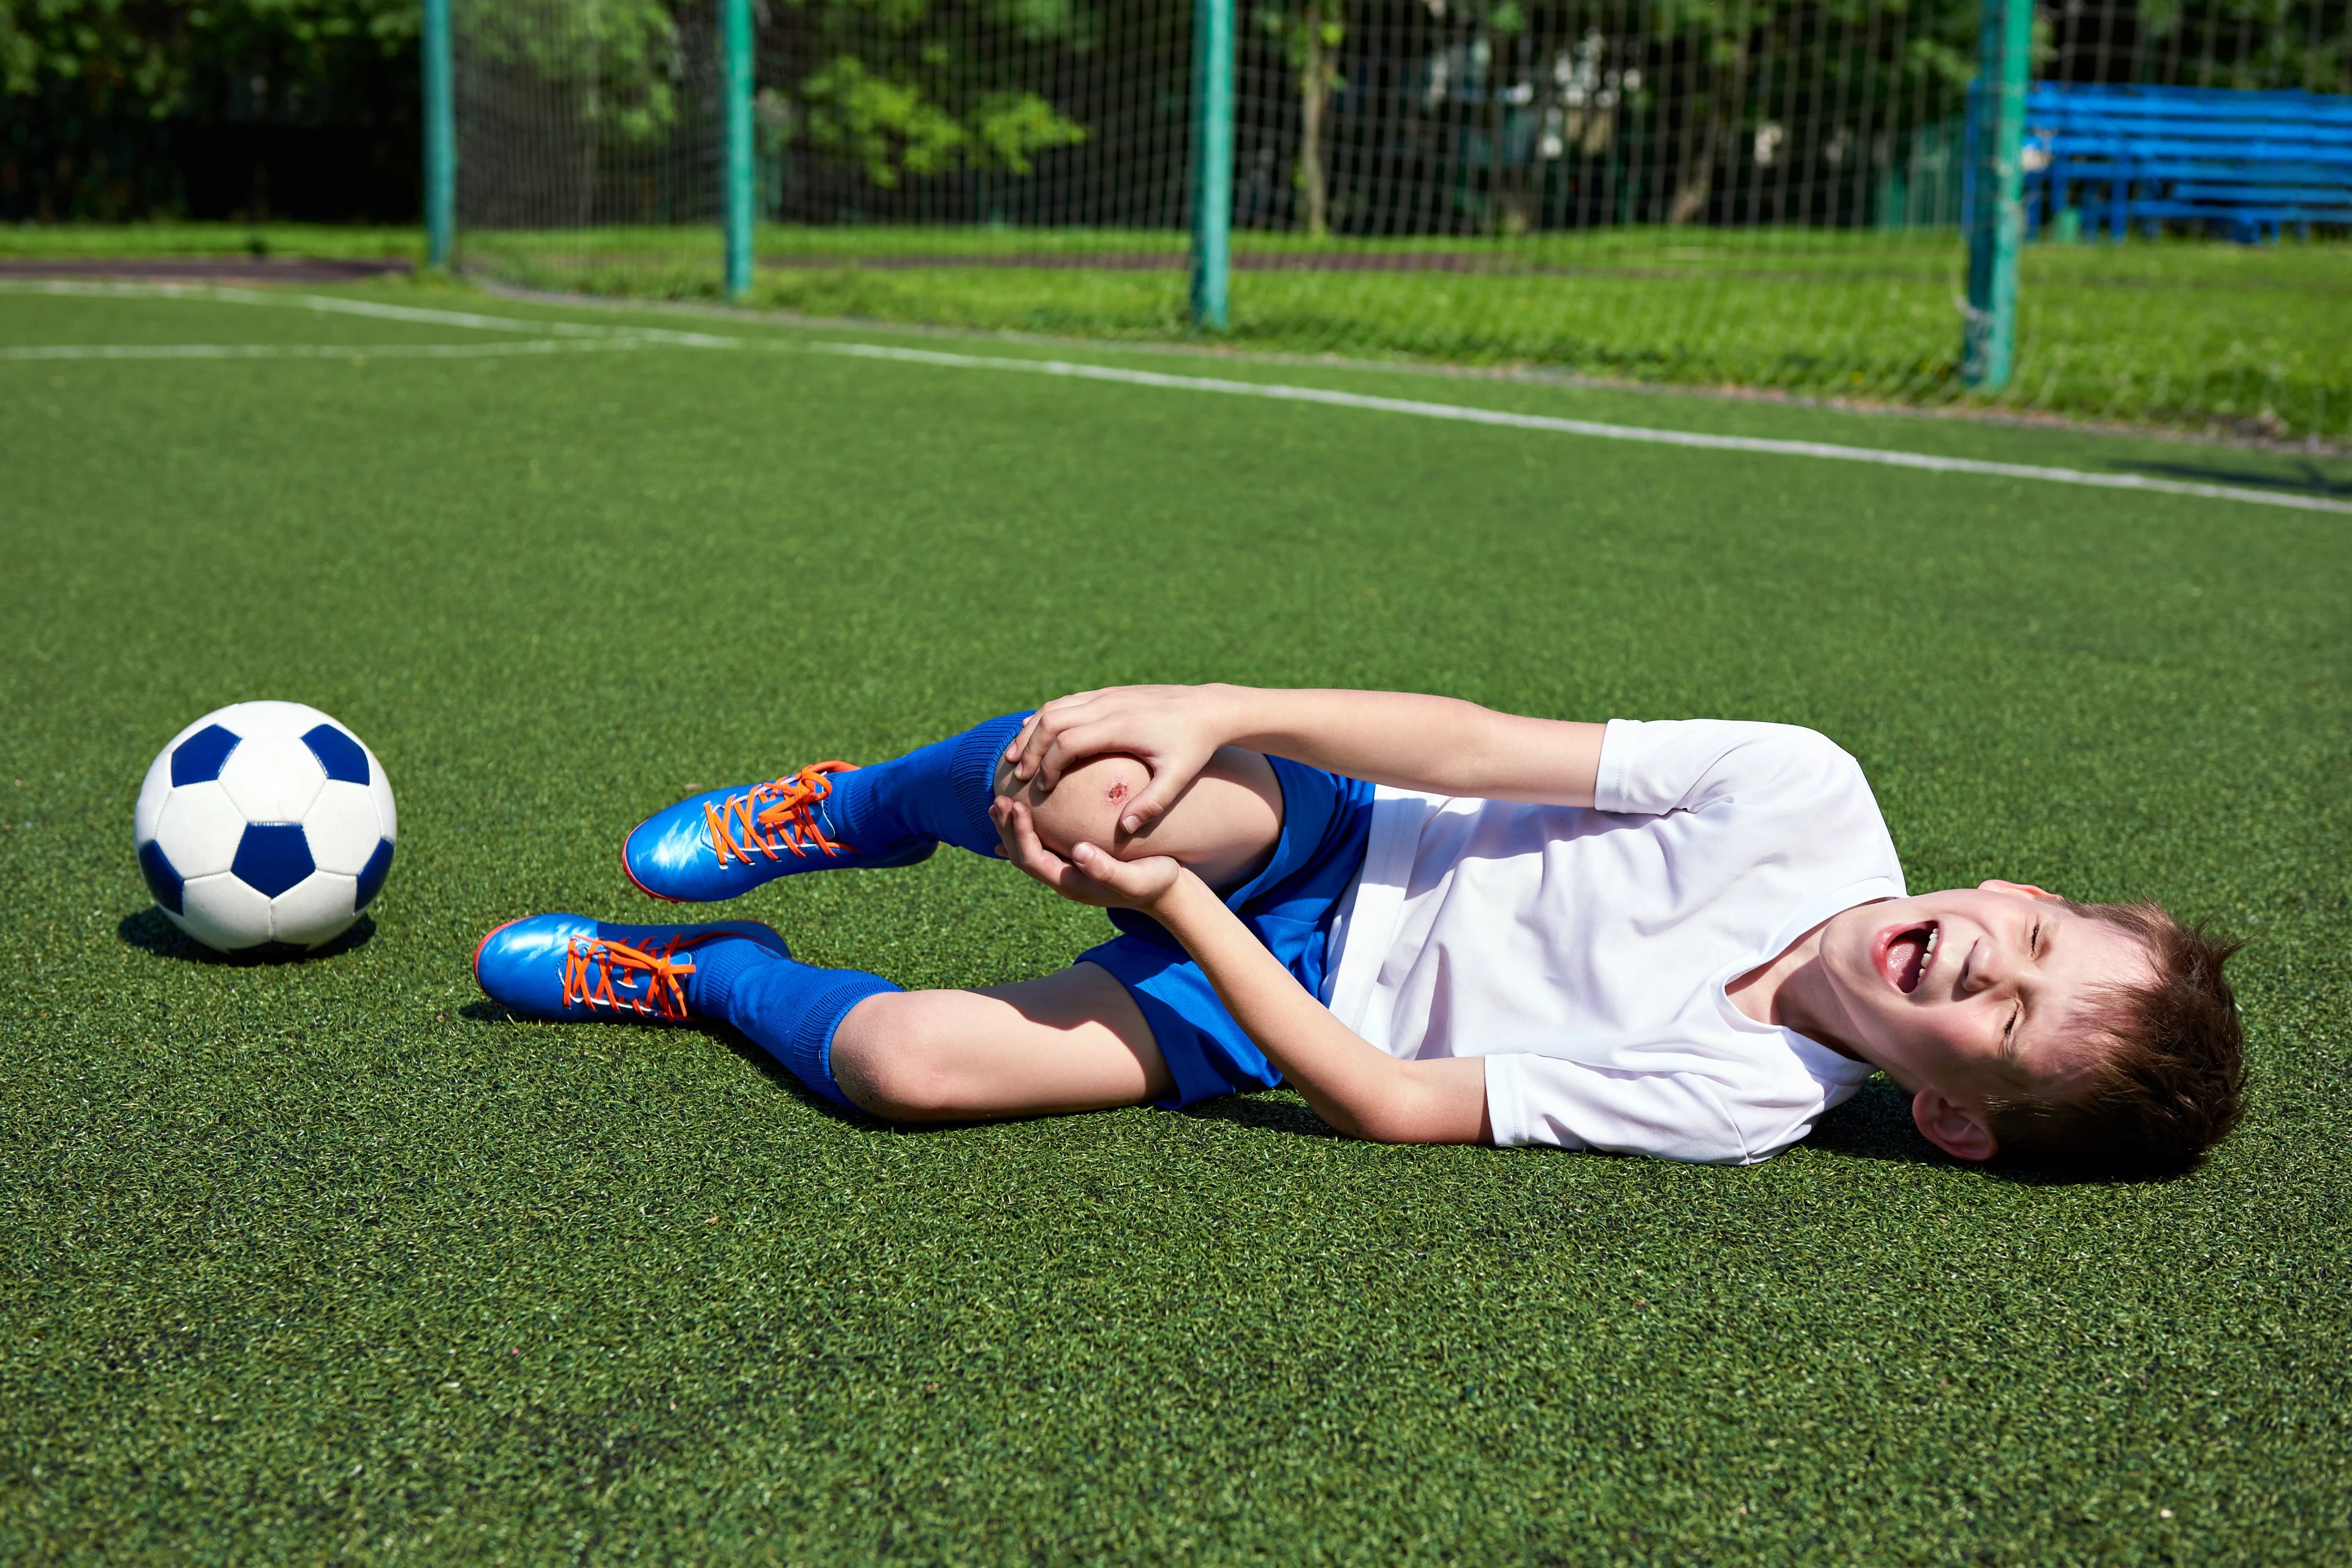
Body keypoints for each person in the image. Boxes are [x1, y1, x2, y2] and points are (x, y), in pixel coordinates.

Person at [471, 685, 2244, 1170]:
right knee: (1106, 784)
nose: (1987, 964)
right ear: (2022, 894)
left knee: (908, 1070)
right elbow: (1465, 749)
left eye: (2010, 1027)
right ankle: (846, 810)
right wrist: (1218, 706)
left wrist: (1177, 920)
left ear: (1952, 1113)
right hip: (1346, 831)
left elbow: (1395, 1102)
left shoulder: (1747, 1102)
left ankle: (712, 978)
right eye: (2034, 941)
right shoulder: (1806, 793)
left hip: (1294, 1006)